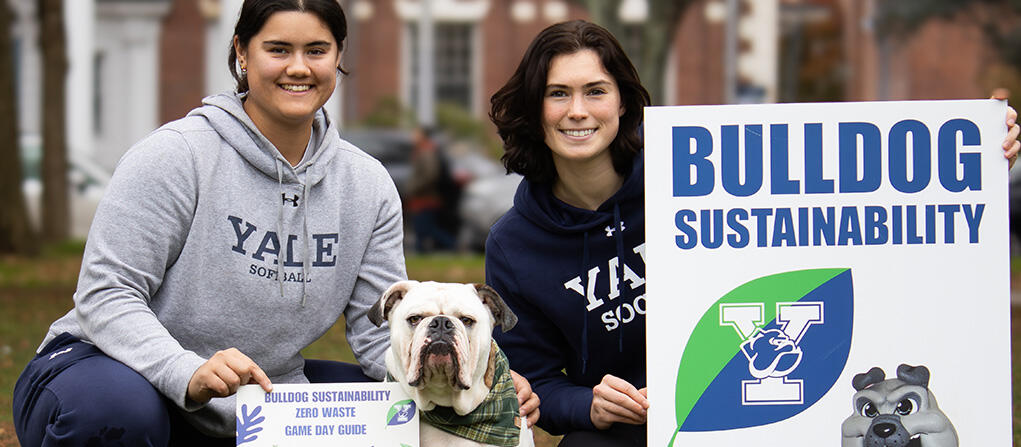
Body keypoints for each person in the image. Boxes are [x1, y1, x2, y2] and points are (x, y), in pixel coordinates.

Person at [485, 19, 1021, 447]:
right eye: (558, 93)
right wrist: (589, 406)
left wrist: (978, 151)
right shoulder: (514, 245)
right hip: (636, 430)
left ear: (623, 102)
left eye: (594, 91)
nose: (577, 111)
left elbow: (839, 183)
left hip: (761, 404)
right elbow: (534, 387)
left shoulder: (696, 176)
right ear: (536, 107)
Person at [12, 1, 405, 445]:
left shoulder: (367, 185)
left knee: (400, 417)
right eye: (278, 50)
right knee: (116, 413)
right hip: (108, 369)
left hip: (253, 392)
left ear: (338, 56)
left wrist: (451, 374)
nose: (299, 68)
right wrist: (188, 371)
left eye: (316, 50)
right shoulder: (175, 155)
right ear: (241, 52)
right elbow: (106, 293)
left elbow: (381, 332)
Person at [408, 126, 457, 253]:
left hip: (426, 198)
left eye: (416, 133)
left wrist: (413, 187)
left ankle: (453, 245)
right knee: (423, 229)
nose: (412, 136)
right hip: (423, 197)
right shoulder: (421, 151)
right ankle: (422, 251)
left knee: (426, 228)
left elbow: (430, 174)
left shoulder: (426, 151)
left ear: (423, 136)